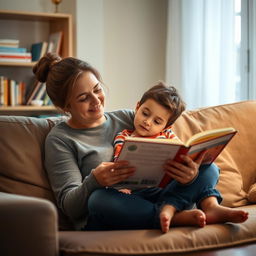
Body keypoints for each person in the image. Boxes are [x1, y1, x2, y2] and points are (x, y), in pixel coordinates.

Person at [33, 53, 248, 233]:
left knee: (209, 168)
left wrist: (188, 173)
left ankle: (193, 207)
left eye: (97, 89)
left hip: (157, 193)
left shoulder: (128, 117)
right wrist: (95, 180)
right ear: (64, 106)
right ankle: (175, 216)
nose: (96, 100)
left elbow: (170, 144)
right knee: (98, 200)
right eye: (83, 98)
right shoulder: (60, 140)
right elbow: (70, 207)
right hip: (118, 208)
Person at [113, 82, 249, 232]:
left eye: (157, 121)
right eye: (145, 113)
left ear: (166, 126)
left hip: (171, 189)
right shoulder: (123, 137)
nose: (148, 122)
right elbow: (118, 165)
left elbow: (182, 157)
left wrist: (191, 172)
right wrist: (122, 187)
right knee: (102, 200)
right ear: (137, 107)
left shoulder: (169, 137)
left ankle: (209, 206)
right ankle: (172, 212)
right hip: (139, 194)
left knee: (211, 168)